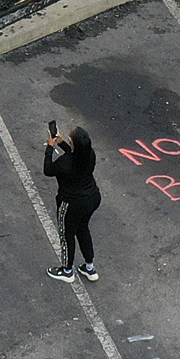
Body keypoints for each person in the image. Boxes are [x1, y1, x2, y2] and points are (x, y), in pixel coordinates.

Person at [43, 121, 100, 282]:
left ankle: (67, 270)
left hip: (72, 203)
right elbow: (75, 154)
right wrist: (61, 143)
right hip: (92, 198)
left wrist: (50, 147)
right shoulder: (89, 155)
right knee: (82, 228)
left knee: (67, 234)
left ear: (73, 144)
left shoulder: (64, 163)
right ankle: (89, 267)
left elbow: (48, 170)